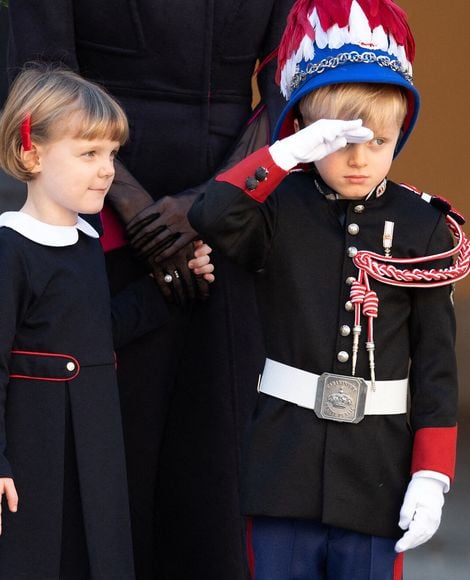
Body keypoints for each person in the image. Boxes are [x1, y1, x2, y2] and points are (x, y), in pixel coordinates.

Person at [7, 2, 294, 577]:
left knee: (217, 459)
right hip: (95, 207)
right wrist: (140, 212)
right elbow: (42, 74)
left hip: (231, 224)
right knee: (106, 459)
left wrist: (209, 205)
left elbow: (290, 83)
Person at [188, 1, 470, 578]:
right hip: (282, 466)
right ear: (310, 134)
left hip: (378, 471)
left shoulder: (424, 227)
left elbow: (437, 366)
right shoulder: (278, 208)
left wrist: (431, 474)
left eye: (378, 141)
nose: (359, 158)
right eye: (339, 140)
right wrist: (284, 153)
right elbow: (211, 215)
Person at [0, 64, 214, 579]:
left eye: (112, 155)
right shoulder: (9, 248)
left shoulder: (88, 243)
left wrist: (176, 283)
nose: (107, 170)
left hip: (95, 447)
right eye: (89, 153)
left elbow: (99, 328)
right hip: (34, 453)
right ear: (31, 153)